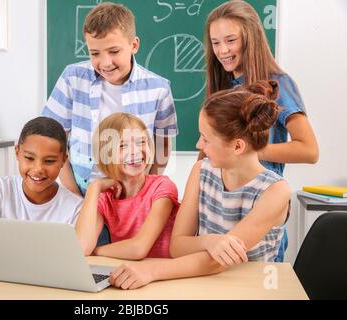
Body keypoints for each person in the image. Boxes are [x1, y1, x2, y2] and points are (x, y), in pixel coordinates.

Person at [109, 80, 291, 289]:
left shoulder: (275, 191)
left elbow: (219, 261)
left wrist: (151, 271)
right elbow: (177, 246)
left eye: (205, 138)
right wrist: (209, 241)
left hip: (252, 288)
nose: (198, 145)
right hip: (203, 284)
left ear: (237, 146)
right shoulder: (201, 172)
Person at [200, 0, 319, 261]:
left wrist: (248, 151)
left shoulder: (278, 84)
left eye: (231, 40)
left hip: (261, 208)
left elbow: (309, 150)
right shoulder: (225, 84)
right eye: (216, 42)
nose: (222, 50)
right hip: (222, 209)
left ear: (251, 38)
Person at [41, 2, 178, 197]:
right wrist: (74, 196)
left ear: (134, 45)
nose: (105, 63)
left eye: (114, 51)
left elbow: (163, 143)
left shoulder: (159, 88)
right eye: (95, 53)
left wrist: (146, 191)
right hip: (82, 192)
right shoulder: (72, 78)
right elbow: (55, 138)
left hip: (133, 194)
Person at [0, 117, 83, 260]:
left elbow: (74, 257)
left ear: (63, 160)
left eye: (49, 161)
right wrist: (20, 258)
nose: (38, 169)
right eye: (29, 158)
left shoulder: (75, 208)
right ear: (17, 152)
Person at [75, 113, 179, 259]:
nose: (135, 151)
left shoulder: (162, 187)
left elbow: (138, 249)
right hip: (127, 274)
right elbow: (82, 247)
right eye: (123, 145)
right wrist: (94, 187)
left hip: (164, 275)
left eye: (141, 142)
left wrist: (96, 251)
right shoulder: (105, 198)